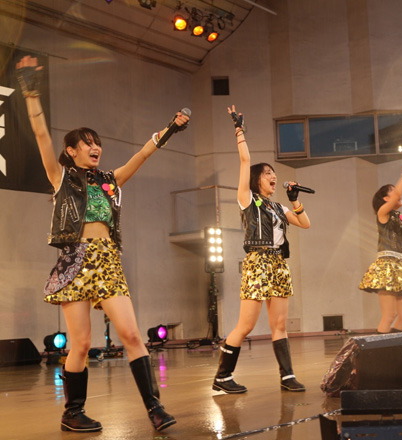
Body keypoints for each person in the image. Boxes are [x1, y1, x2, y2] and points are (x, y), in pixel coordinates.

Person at [16, 55, 188, 432]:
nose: (95, 148)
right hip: (75, 261)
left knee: (131, 334)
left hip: (107, 260)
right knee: (80, 344)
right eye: (87, 144)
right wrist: (31, 91)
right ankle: (72, 413)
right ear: (72, 151)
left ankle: (155, 408)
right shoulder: (62, 178)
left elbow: (142, 154)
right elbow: (41, 135)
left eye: (98, 144)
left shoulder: (110, 181)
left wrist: (169, 130)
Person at [212, 105, 311, 394]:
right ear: (257, 179)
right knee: (246, 325)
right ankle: (223, 376)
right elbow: (245, 160)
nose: (273, 176)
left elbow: (305, 223)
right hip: (258, 261)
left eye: (274, 173)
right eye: (268, 173)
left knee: (280, 324)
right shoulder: (247, 199)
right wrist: (239, 130)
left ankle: (287, 376)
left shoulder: (278, 206)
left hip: (279, 263)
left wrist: (294, 200)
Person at [358, 150, 402, 333]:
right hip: (386, 265)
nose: (397, 194)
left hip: (400, 265)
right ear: (386, 198)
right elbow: (398, 194)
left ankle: (393, 346)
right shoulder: (383, 213)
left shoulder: (400, 217)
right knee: (389, 315)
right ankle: (380, 349)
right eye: (392, 191)